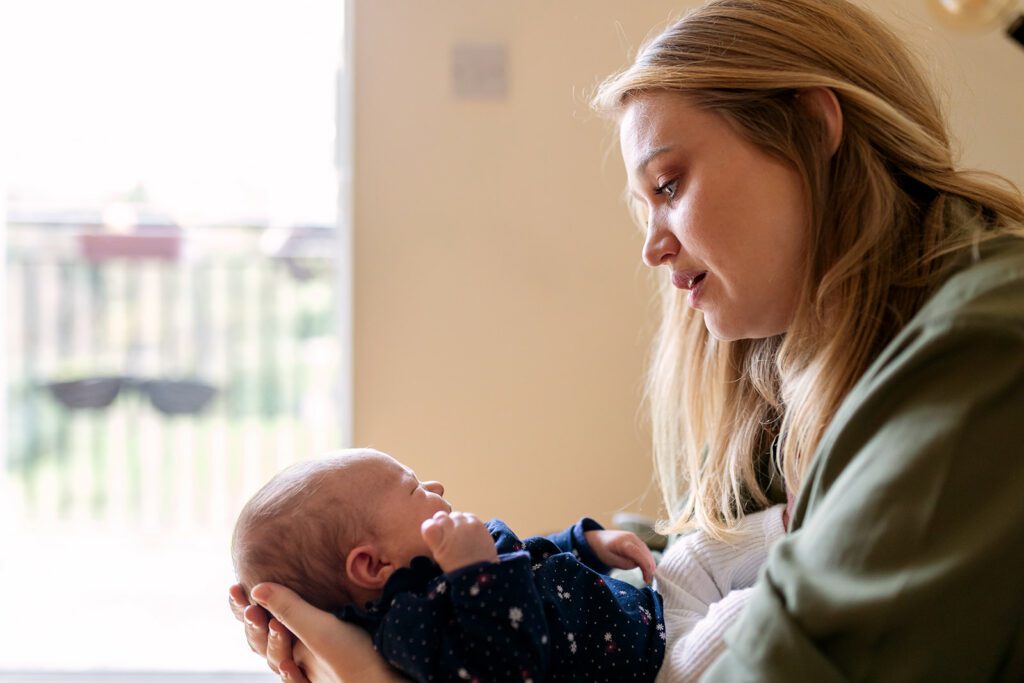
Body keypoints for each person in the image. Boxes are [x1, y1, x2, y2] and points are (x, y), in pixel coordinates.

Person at [229, 0, 1024, 680]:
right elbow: (693, 553)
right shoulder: (805, 363)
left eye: (670, 185)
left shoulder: (983, 353)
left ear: (814, 131)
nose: (653, 246)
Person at [232, 448, 666, 682]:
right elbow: (505, 669)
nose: (434, 485)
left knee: (703, 561)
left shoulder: (441, 570)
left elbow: (525, 559)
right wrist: (476, 573)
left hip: (647, 615)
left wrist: (584, 542)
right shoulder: (413, 631)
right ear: (373, 565)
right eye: (412, 489)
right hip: (653, 664)